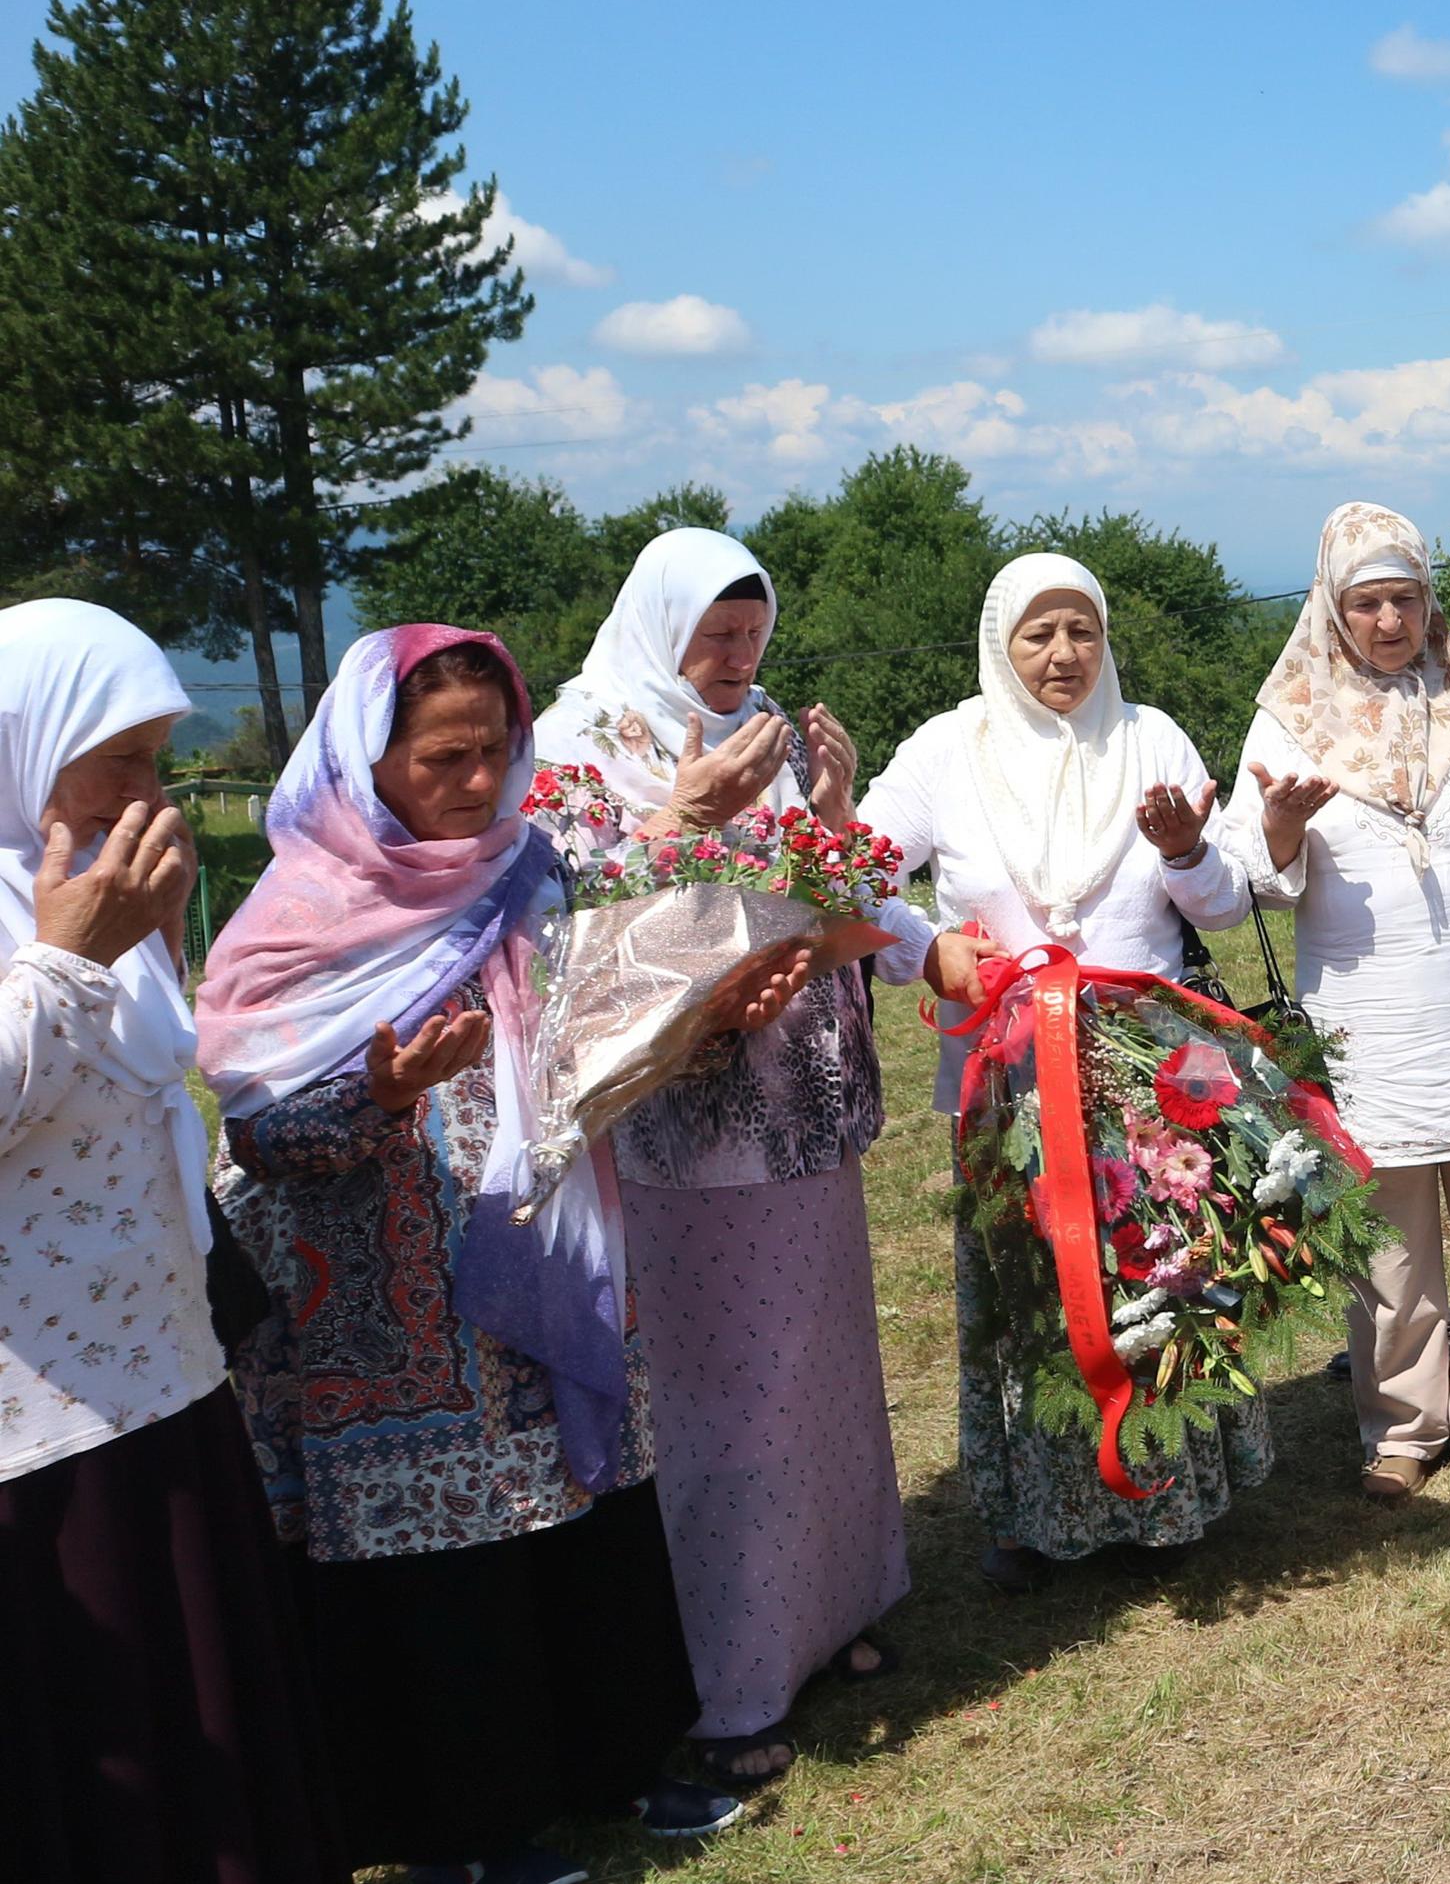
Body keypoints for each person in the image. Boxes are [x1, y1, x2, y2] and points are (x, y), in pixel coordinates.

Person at [203, 626, 814, 1870]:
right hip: (386, 1300)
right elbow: (262, 1140)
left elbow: (594, 1044)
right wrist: (380, 1093)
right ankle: (468, 1824)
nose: (478, 783)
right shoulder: (299, 917)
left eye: (496, 751)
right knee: (445, 1556)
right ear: (365, 762)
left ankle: (611, 1764)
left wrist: (697, 1025)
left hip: (555, 1238)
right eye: (442, 758)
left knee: (582, 1514)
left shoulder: (531, 871)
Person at [530, 528, 979, 1785]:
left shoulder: (765, 724)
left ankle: (832, 1613)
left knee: (823, 1368)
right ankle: (735, 1675)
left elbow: (823, 880)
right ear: (657, 626)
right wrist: (684, 816)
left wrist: (832, 813)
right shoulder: (583, 744)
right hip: (692, 1120)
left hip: (804, 1104)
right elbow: (566, 923)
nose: (736, 660)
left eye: (753, 637)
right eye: (715, 639)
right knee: (728, 1394)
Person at [0, 600, 337, 1884]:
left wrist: (121, 946)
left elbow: (150, 1084)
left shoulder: (90, 892)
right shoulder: (56, 913)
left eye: (158, 757)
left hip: (167, 1373)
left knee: (197, 1691)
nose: (151, 792)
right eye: (121, 761)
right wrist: (64, 958)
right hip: (40, 1423)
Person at [858, 553, 1269, 1591]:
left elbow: (1222, 909)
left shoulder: (1150, 737)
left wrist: (1186, 852)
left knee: (1159, 1275)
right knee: (1028, 1287)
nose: (1063, 654)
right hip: (1008, 1078)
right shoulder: (948, 751)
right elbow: (852, 875)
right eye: (1039, 633)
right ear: (1002, 640)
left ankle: (1168, 1501)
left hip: (1149, 1075)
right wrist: (930, 946)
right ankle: (1034, 1513)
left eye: (1081, 631)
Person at [1226, 505, 1450, 1498]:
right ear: (1333, 609)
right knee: (1387, 1236)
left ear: (1432, 603)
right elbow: (1242, 866)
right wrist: (1285, 829)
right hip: (1366, 1008)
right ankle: (1403, 1428)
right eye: (1368, 602)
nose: (1389, 620)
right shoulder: (1291, 711)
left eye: (1407, 599)